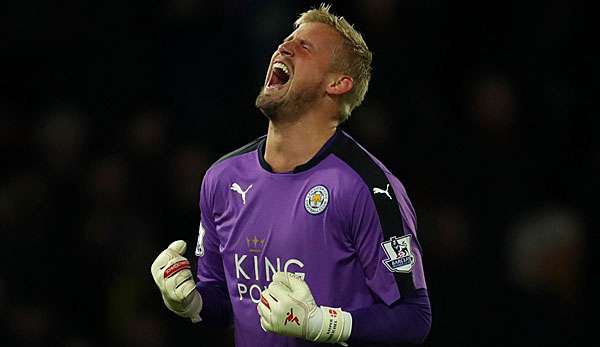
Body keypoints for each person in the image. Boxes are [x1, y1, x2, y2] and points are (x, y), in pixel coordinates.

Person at [151, 4, 431, 346]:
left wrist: (323, 324)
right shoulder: (222, 179)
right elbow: (223, 306)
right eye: (286, 40)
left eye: (304, 47)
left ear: (338, 83)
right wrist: (190, 302)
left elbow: (414, 316)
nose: (283, 48)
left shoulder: (366, 187)